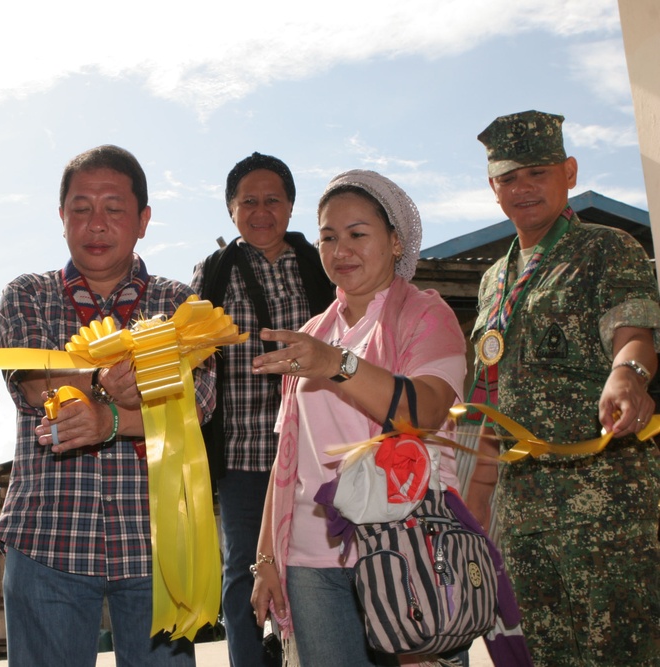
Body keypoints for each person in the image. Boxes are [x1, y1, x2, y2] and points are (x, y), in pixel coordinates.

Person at [0, 144, 216, 667]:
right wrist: (109, 381)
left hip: (160, 549)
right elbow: (29, 379)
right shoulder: (27, 294)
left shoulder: (180, 305)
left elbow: (198, 404)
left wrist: (109, 420)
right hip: (46, 538)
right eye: (81, 208)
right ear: (62, 216)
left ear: (142, 220)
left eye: (114, 208)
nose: (96, 223)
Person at [249, 170, 467, 666]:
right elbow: (288, 458)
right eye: (328, 236)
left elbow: (427, 409)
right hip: (311, 559)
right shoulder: (313, 331)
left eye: (357, 234)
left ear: (395, 242)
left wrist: (336, 365)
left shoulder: (425, 316)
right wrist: (265, 559)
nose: (340, 249)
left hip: (406, 547)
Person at [467, 110, 660, 666]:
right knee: (548, 655)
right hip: (525, 511)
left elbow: (634, 334)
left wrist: (630, 373)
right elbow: (487, 398)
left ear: (569, 172)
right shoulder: (491, 279)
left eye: (537, 172)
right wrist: (480, 499)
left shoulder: (607, 248)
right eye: (508, 177)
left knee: (622, 654)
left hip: (607, 506)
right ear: (493, 188)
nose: (522, 188)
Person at [190, 151, 332, 667]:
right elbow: (194, 357)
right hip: (244, 452)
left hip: (319, 448)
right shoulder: (212, 272)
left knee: (322, 566)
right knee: (243, 571)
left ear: (292, 206)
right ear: (231, 210)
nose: (261, 210)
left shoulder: (322, 263)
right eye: (248, 200)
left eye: (273, 199)